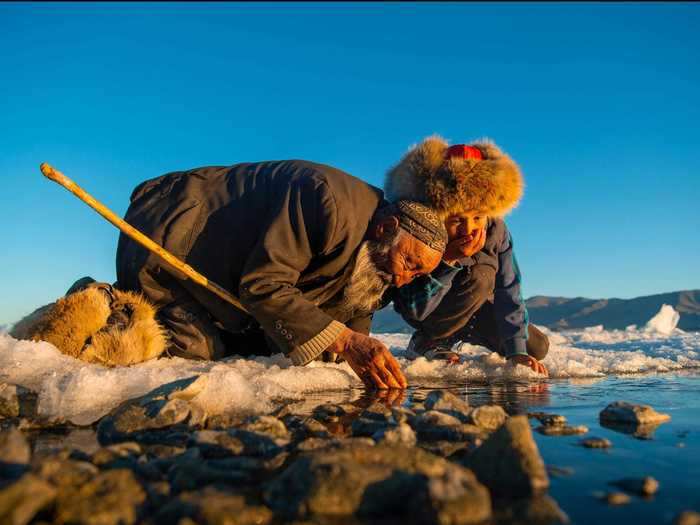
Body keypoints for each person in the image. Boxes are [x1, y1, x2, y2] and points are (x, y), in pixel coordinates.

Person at [115, 159, 447, 389]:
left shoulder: (380, 255)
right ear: (386, 228)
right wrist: (347, 342)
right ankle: (106, 303)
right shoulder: (325, 201)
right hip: (168, 238)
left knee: (260, 355)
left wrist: (354, 359)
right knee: (197, 360)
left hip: (226, 273)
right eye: (410, 264)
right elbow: (264, 285)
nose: (404, 279)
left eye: (418, 275)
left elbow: (354, 310)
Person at [384, 136, 549, 376]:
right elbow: (414, 309)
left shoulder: (497, 231)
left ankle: (472, 335)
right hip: (431, 313)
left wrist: (516, 350)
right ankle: (429, 341)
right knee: (479, 276)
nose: (469, 229)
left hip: (476, 309)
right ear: (441, 213)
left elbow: (509, 290)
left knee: (536, 347)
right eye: (457, 220)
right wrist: (449, 260)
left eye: (477, 217)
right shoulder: (422, 231)